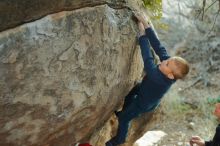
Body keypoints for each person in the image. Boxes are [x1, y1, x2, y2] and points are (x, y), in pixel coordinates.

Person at [105, 11, 190, 146]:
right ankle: (124, 111)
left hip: (143, 103)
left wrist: (142, 35)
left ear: (170, 75)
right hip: (144, 90)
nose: (164, 61)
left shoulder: (159, 79)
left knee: (125, 119)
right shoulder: (168, 66)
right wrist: (146, 24)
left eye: (167, 63)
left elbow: (148, 59)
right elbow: (158, 46)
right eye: (167, 60)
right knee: (132, 92)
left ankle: (119, 140)